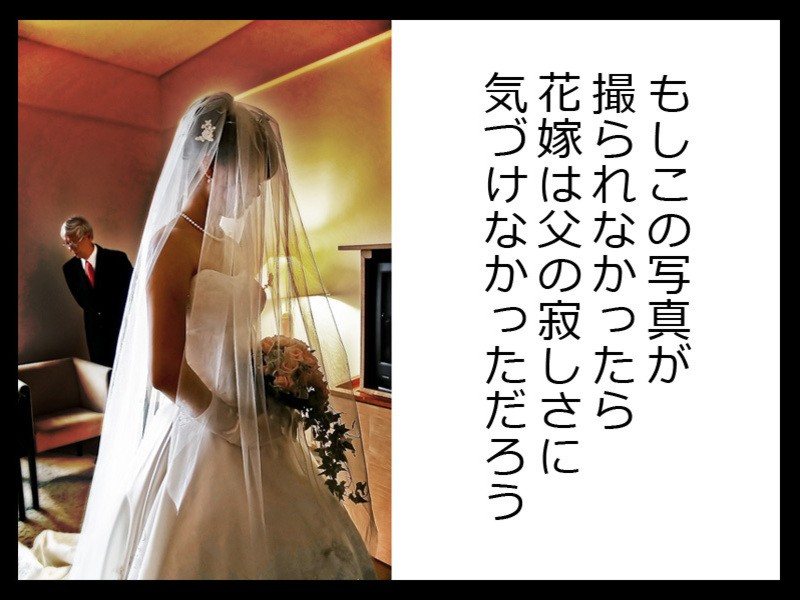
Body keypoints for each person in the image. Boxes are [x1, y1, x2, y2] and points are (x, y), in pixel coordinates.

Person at [20, 92, 377, 579]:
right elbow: (165, 371)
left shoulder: (229, 243)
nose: (256, 196)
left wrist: (272, 370)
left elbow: (229, 335)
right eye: (251, 179)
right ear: (211, 167)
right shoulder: (171, 243)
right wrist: (229, 423)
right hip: (202, 423)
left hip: (252, 416)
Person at [61, 216, 133, 367]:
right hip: (96, 338)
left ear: (88, 236)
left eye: (73, 242)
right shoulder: (69, 269)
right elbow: (85, 303)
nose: (70, 248)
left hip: (123, 332)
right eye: (66, 243)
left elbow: (132, 296)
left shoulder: (117, 259)